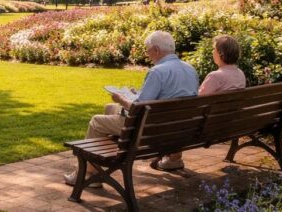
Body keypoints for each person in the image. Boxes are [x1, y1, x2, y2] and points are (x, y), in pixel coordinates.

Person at [65, 31, 199, 186]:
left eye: (148, 50)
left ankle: (89, 174)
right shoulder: (190, 69)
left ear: (156, 50)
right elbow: (164, 96)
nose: (148, 55)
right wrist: (136, 94)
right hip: (179, 129)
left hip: (149, 130)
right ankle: (104, 159)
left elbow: (138, 109)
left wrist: (121, 99)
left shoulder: (158, 71)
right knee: (110, 108)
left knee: (96, 121)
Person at [153, 35, 247, 171]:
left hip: (208, 128)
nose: (212, 52)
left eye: (214, 49)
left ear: (220, 53)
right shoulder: (240, 73)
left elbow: (197, 102)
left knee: (176, 116)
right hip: (229, 124)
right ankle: (171, 156)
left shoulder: (216, 76)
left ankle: (174, 158)